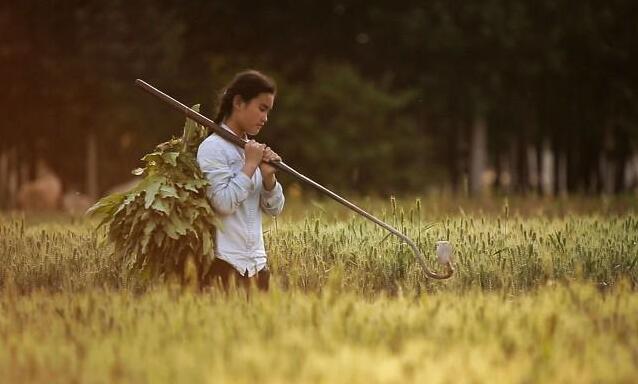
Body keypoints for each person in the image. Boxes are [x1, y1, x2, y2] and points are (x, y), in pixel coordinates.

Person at [197, 70, 285, 292]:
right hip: (225, 267)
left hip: (258, 267)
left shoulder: (250, 149)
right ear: (238, 102)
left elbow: (274, 210)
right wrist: (249, 166)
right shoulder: (213, 148)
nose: (265, 118)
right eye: (261, 109)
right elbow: (223, 204)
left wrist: (268, 177)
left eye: (268, 111)